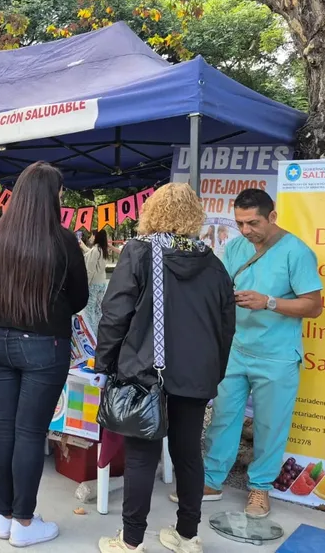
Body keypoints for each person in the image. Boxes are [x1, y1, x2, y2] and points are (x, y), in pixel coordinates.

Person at [94, 183, 235, 553]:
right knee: (189, 453)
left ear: (152, 213)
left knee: (142, 454)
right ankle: (188, 537)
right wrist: (213, 372)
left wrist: (104, 362)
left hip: (145, 371)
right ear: (195, 217)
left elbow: (115, 314)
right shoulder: (214, 264)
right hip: (197, 373)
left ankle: (131, 541)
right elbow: (226, 328)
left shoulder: (139, 253)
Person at [0, 161, 88, 547]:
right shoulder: (63, 240)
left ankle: (3, 516)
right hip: (45, 345)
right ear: (50, 196)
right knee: (29, 432)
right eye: (60, 193)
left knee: (5, 426)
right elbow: (80, 299)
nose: (61, 199)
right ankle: (24, 523)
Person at [198, 188, 322, 518]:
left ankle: (260, 489)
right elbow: (220, 287)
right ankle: (211, 480)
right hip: (236, 349)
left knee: (270, 425)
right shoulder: (236, 246)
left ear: (272, 217)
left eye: (253, 222)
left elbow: (314, 306)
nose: (246, 230)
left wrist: (268, 302)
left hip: (278, 355)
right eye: (240, 223)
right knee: (223, 416)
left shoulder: (297, 252)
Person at [81, 229, 120, 329]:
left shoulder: (95, 250)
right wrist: (82, 245)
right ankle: (99, 332)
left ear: (95, 236)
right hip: (102, 283)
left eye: (92, 235)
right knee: (98, 311)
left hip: (93, 284)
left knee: (89, 311)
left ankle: (92, 334)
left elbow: (90, 270)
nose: (90, 238)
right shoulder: (103, 249)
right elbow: (90, 254)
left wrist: (86, 284)